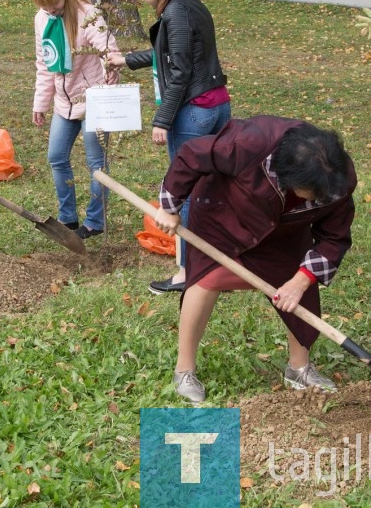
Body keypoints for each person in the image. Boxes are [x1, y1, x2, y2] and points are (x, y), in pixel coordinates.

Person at [150, 116, 357, 403]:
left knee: (300, 290)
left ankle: (299, 369)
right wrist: (170, 207)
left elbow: (334, 237)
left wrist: (301, 281)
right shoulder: (249, 143)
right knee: (207, 279)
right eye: (311, 195)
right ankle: (184, 369)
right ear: (287, 178)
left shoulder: (338, 177)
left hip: (284, 230)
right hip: (224, 215)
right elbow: (192, 155)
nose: (317, 200)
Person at [107, 0, 231, 292]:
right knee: (212, 186)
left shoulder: (174, 13)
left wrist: (162, 120)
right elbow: (173, 54)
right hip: (217, 104)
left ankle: (186, 272)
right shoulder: (188, 2)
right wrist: (127, 59)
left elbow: (179, 73)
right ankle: (217, 254)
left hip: (193, 112)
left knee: (184, 192)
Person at [31, 0, 121, 239]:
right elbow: (44, 63)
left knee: (97, 164)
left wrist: (110, 69)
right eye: (44, 6)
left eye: (54, 4)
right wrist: (40, 103)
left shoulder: (87, 15)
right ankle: (67, 219)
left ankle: (95, 222)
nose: (51, 10)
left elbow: (109, 50)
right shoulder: (42, 18)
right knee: (56, 156)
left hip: (93, 98)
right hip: (64, 100)